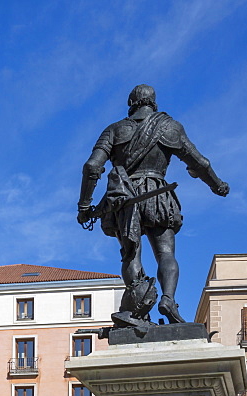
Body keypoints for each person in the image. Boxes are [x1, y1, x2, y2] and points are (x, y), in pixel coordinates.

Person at [77, 84, 228, 326]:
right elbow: (200, 162)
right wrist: (218, 185)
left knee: (130, 254)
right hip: (157, 194)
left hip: (124, 199)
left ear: (131, 102)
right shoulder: (170, 127)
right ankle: (168, 299)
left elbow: (92, 167)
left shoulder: (114, 130)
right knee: (165, 252)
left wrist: (84, 206)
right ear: (153, 103)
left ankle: (138, 309)